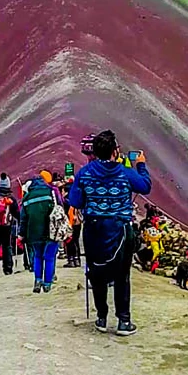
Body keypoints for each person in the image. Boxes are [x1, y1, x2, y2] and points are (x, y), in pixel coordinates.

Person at [69, 130, 152, 336]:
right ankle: (124, 321)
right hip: (120, 230)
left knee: (96, 273)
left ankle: (102, 317)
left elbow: (75, 201)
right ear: (115, 151)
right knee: (122, 275)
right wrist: (140, 164)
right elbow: (145, 186)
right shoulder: (124, 172)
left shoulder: (84, 172)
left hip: (93, 229)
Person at [21, 172, 61, 293]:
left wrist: (21, 234)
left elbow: (23, 218)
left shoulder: (27, 198)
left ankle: (38, 280)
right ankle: (47, 284)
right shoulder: (50, 193)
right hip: (50, 231)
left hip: (33, 233)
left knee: (38, 256)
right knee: (49, 257)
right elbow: (59, 209)